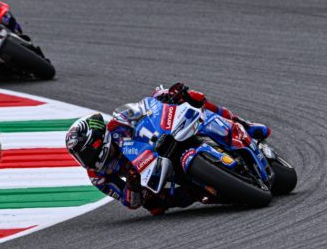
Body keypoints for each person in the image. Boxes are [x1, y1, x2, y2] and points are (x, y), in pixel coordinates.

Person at [65, 82, 271, 215]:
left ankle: (242, 123)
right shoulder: (97, 175)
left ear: (97, 140)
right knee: (155, 206)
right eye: (80, 157)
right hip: (151, 176)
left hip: (161, 142)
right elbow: (130, 203)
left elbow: (145, 107)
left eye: (85, 153)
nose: (86, 161)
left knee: (194, 99)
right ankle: (213, 188)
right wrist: (134, 186)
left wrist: (166, 95)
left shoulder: (117, 125)